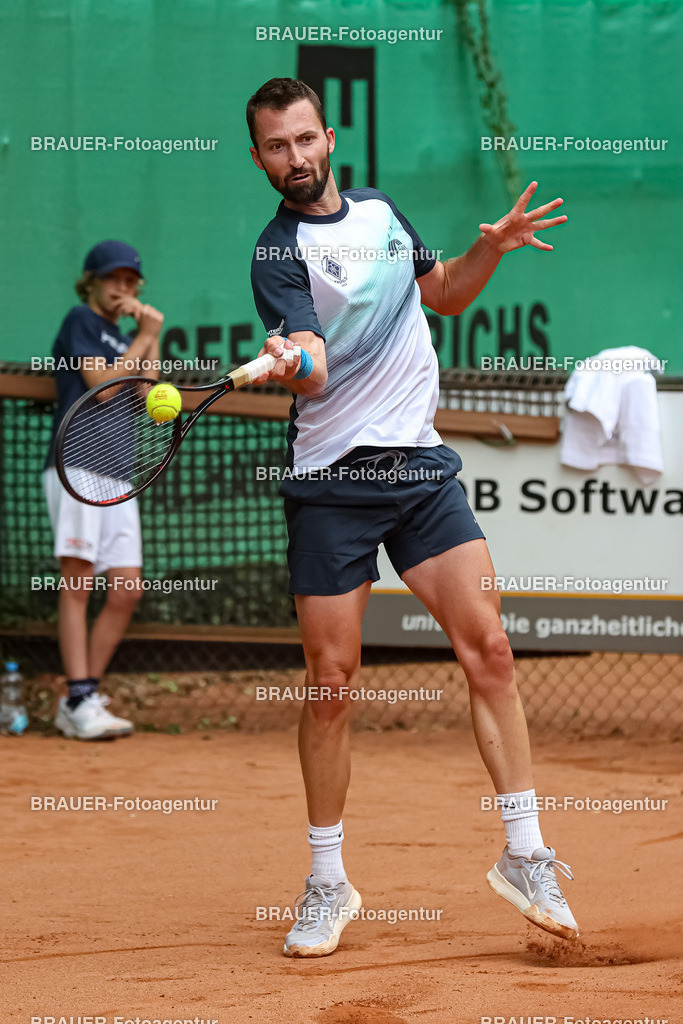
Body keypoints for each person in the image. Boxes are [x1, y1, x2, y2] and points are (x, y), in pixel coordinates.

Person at [246, 78, 578, 957]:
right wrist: (293, 359)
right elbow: (316, 369)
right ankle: (327, 881)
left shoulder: (383, 211)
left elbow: (447, 294)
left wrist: (490, 250)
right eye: (276, 147)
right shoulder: (277, 254)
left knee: (490, 650)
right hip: (331, 483)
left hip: (419, 470)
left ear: (328, 137)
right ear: (259, 159)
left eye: (305, 139)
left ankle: (525, 854)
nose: (295, 158)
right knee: (331, 682)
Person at [43, 240, 164, 740]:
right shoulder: (82, 321)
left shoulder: (128, 336)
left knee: (127, 588)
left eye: (130, 281)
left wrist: (151, 335)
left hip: (119, 475)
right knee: (78, 582)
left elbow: (149, 393)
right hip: (76, 467)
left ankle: (83, 697)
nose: (121, 287)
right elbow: (103, 387)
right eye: (112, 278)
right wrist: (145, 336)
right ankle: (78, 698)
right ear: (90, 282)